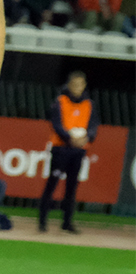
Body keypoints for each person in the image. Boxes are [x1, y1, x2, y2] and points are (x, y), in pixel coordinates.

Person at [42, 71, 96, 234]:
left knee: (72, 187)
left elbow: (93, 125)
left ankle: (67, 222)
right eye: (74, 84)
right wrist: (70, 138)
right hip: (61, 148)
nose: (77, 88)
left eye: (80, 85)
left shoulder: (89, 104)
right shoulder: (61, 101)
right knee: (52, 183)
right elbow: (57, 124)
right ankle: (42, 221)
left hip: (78, 150)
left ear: (84, 86)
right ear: (69, 85)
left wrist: (88, 137)